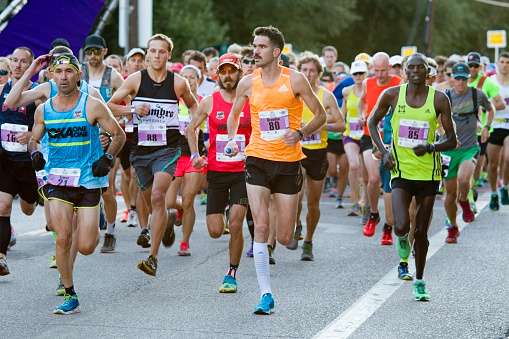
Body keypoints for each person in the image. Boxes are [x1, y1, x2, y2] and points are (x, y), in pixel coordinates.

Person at [225, 26, 326, 314]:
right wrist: (233, 140)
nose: (255, 51)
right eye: (254, 45)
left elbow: (321, 115)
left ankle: (295, 226)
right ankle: (266, 294)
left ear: (276, 52)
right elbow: (234, 116)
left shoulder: (295, 79)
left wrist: (301, 132)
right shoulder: (248, 82)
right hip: (256, 158)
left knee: (283, 236)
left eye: (261, 46)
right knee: (261, 224)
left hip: (289, 163)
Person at [28, 53, 125, 314]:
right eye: (58, 72)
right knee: (62, 237)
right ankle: (70, 293)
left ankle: (97, 215)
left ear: (78, 76)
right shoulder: (43, 110)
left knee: (86, 246)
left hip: (89, 181)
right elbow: (33, 139)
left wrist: (107, 158)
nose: (63, 77)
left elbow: (119, 135)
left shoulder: (92, 105)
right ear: (51, 76)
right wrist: (35, 153)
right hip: (57, 181)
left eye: (68, 72)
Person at [107, 33, 198, 276]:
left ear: (169, 55)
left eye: (161, 51)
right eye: (152, 51)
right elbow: (110, 105)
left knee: (158, 196)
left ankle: (153, 257)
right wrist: (132, 108)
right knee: (149, 201)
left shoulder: (178, 83)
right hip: (141, 151)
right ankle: (166, 220)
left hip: (167, 150)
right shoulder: (136, 80)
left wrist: (192, 123)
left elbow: (193, 106)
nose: (156, 55)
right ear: (148, 54)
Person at [368, 53, 456, 301]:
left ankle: (419, 281)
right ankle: (402, 246)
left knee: (422, 232)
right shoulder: (393, 95)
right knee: (401, 225)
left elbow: (451, 139)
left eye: (421, 67)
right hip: (400, 170)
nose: (416, 71)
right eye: (411, 67)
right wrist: (384, 151)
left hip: (429, 173)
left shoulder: (439, 99)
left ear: (428, 71)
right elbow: (371, 122)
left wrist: (431, 147)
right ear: (406, 71)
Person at [186, 53, 251, 292]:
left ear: (239, 73)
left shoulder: (250, 101)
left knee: (235, 224)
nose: (227, 76)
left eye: (231, 71)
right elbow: (191, 128)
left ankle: (231, 273)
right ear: (218, 75)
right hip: (216, 171)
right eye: (223, 71)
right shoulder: (210, 101)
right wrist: (195, 156)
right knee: (215, 231)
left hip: (244, 172)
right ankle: (225, 207)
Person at [286, 53, 345, 259]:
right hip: (296, 152)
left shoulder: (326, 96)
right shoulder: (291, 94)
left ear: (319, 74)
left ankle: (308, 241)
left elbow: (341, 124)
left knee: (313, 203)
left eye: (312, 71)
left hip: (318, 153)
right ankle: (297, 225)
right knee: (297, 195)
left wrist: (319, 126)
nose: (308, 75)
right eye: (305, 70)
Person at [81, 34, 125, 253]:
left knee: (106, 189)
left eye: (96, 51)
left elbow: (129, 102)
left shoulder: (113, 76)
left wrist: (118, 124)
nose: (92, 56)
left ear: (104, 52)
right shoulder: (79, 73)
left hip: (106, 138)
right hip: (82, 138)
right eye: (89, 51)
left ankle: (111, 231)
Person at [442, 62, 494, 244]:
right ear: (452, 79)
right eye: (457, 78)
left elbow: (491, 108)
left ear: (468, 79)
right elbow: (436, 120)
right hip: (448, 150)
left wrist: (486, 126)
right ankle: (453, 227)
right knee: (449, 194)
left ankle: (464, 200)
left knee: (464, 180)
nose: (461, 83)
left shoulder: (476, 94)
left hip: (470, 147)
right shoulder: (445, 97)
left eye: (464, 79)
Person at [0, 47, 38, 276]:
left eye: (24, 62)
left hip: (27, 164)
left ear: (31, 66)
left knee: (28, 209)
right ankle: (1, 258)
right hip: (4, 160)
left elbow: (49, 123)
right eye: (14, 60)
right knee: (3, 207)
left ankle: (30, 200)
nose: (17, 65)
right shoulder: (1, 90)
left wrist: (33, 134)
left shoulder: (38, 93)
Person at [358, 52, 401, 234]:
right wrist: (361, 114)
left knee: (388, 183)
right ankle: (373, 213)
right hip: (371, 136)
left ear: (389, 68)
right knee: (373, 178)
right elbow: (362, 101)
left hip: (390, 138)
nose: (380, 74)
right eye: (376, 70)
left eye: (383, 70)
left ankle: (388, 225)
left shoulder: (398, 83)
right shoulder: (368, 82)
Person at [341, 60, 368, 216]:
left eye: (361, 73)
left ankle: (363, 201)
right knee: (353, 165)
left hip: (365, 135)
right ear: (351, 75)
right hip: (350, 135)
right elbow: (342, 112)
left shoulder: (370, 90)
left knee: (365, 173)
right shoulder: (346, 91)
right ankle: (353, 200)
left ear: (366, 74)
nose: (358, 76)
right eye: (356, 74)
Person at [487, 51, 509, 210]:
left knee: (508, 158)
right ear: (497, 63)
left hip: (508, 125)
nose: (505, 65)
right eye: (502, 62)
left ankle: (505, 187)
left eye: (507, 63)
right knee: (493, 164)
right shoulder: (491, 82)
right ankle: (494, 192)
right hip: (494, 125)